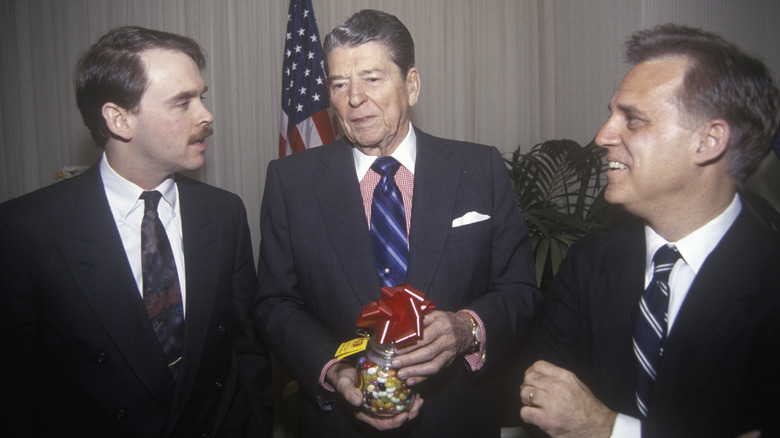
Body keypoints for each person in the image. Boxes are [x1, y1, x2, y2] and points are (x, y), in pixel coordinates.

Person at [256, 9, 540, 437]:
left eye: (372, 78)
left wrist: (467, 328)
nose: (354, 98)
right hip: (340, 423)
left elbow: (520, 291)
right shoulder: (290, 182)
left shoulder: (479, 170)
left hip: (455, 417)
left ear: (411, 85)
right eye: (339, 84)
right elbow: (275, 305)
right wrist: (333, 370)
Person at [0, 26, 271, 437]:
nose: (206, 115)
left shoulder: (223, 212)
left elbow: (245, 350)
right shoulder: (26, 231)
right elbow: (16, 390)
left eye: (202, 96)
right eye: (183, 102)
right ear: (119, 119)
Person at [518, 24, 780, 438]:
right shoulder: (590, 262)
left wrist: (608, 428)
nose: (603, 136)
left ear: (709, 141)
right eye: (611, 114)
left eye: (633, 120)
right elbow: (538, 405)